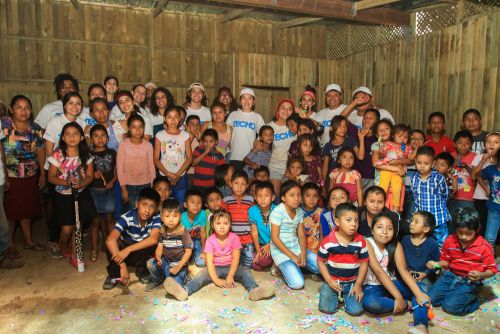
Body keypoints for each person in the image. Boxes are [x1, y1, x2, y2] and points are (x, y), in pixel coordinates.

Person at [164, 209, 275, 301]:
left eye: (225, 223)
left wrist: (230, 275)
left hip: (232, 267)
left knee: (246, 271)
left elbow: (236, 258)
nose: (222, 227)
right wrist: (216, 280)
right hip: (215, 268)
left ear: (230, 224)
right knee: (201, 276)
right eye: (218, 223)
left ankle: (254, 290)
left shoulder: (234, 238)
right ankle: (184, 290)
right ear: (212, 224)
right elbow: (210, 262)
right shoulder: (210, 241)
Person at [362, 213, 431, 334]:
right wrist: (399, 298)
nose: (384, 232)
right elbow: (378, 270)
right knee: (371, 303)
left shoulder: (396, 245)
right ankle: (406, 304)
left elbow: (403, 271)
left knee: (420, 289)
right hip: (372, 286)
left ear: (394, 232)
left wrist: (419, 294)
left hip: (393, 284)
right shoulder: (366, 243)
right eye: (379, 227)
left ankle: (421, 325)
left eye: (389, 228)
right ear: (372, 230)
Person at [428, 208, 497, 316]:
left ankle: (474, 301)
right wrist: (437, 264)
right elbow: (445, 262)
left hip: (470, 281)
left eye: (469, 233)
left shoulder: (484, 247)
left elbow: (492, 270)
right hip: (450, 275)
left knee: (449, 307)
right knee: (430, 299)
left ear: (477, 229)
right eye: (460, 233)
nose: (464, 237)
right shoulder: (450, 240)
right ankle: (456, 294)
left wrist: (481, 274)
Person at [43, 92, 87, 258]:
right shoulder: (55, 122)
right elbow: (49, 148)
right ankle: (56, 241)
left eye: (78, 103)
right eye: (71, 103)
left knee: (77, 215)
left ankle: (73, 244)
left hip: (77, 175)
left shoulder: (82, 123)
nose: (75, 106)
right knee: (60, 212)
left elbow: (84, 150)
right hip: (57, 172)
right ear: (64, 105)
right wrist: (63, 170)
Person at [47, 122, 97, 268]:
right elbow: (51, 177)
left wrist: (81, 183)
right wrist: (67, 182)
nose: (71, 137)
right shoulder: (58, 154)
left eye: (75, 134)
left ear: (81, 137)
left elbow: (89, 176)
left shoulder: (86, 154)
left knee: (78, 226)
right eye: (67, 134)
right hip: (63, 195)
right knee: (67, 229)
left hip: (81, 194)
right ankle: (63, 243)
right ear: (63, 137)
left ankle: (76, 256)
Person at [2, 96, 45, 259]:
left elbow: (40, 150)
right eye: (19, 107)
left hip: (29, 174)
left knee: (26, 209)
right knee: (10, 213)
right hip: (9, 176)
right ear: (12, 109)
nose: (23, 111)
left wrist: (42, 172)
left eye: (27, 107)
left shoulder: (35, 128)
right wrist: (4, 174)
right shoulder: (4, 124)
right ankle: (9, 245)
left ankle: (28, 240)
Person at [103, 188, 161, 290]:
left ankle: (141, 269)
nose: (147, 210)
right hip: (123, 255)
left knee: (155, 243)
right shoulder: (126, 217)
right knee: (113, 244)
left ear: (156, 209)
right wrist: (122, 265)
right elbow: (110, 240)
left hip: (138, 251)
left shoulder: (156, 217)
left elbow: (153, 239)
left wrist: (128, 250)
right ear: (137, 204)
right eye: (144, 204)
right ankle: (114, 274)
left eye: (152, 207)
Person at [317, 203, 368, 316]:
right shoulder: (328, 241)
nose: (353, 224)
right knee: (326, 309)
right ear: (337, 222)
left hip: (352, 283)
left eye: (356, 220)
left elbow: (364, 263)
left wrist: (358, 284)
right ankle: (334, 295)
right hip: (333, 282)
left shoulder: (360, 241)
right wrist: (329, 281)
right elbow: (320, 261)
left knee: (356, 311)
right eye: (349, 220)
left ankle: (344, 297)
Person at [271, 180, 320, 289]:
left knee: (322, 267)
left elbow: (301, 235)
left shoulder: (299, 211)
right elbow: (275, 238)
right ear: (283, 198)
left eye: (298, 195)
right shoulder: (278, 212)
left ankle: (295, 266)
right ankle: (281, 266)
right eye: (292, 195)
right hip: (281, 252)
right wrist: (292, 257)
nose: (296, 198)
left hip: (296, 248)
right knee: (298, 284)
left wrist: (302, 253)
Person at [146, 199, 193, 291]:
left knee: (173, 278)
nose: (171, 220)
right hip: (166, 261)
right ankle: (157, 280)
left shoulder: (183, 231)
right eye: (167, 216)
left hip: (180, 263)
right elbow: (160, 247)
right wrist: (158, 258)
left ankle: (181, 281)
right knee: (150, 263)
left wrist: (178, 266)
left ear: (180, 217)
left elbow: (188, 251)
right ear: (162, 217)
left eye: (175, 216)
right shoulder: (162, 230)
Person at [410, 146, 451, 246]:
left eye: (426, 163)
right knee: (424, 243)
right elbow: (415, 198)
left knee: (441, 244)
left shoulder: (439, 178)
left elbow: (445, 195)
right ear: (415, 161)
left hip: (438, 218)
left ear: (433, 164)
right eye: (419, 163)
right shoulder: (414, 179)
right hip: (422, 221)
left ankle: (440, 261)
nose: (422, 166)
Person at [88, 124, 117, 261]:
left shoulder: (112, 152)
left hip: (108, 191)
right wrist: (92, 174)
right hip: (93, 191)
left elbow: (117, 171)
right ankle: (94, 248)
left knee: (110, 219)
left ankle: (112, 247)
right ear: (91, 138)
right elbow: (84, 172)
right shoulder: (88, 154)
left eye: (103, 136)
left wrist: (112, 181)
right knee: (95, 221)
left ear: (107, 138)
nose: (100, 139)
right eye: (96, 136)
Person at [117, 115, 156, 213]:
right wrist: (123, 188)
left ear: (144, 128)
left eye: (140, 127)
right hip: (129, 185)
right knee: (131, 213)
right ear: (129, 129)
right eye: (134, 127)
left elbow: (152, 166)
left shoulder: (148, 145)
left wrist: (153, 185)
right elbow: (120, 168)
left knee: (145, 211)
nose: (137, 130)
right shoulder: (123, 145)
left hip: (145, 184)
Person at [154, 105, 192, 205]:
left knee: (180, 204)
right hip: (163, 176)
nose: (173, 120)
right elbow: (156, 159)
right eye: (169, 117)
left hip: (181, 177)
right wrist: (168, 174)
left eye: (176, 117)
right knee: (162, 204)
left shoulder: (185, 135)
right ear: (165, 118)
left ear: (180, 118)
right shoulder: (160, 135)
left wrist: (178, 175)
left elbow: (189, 158)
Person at [373, 124, 413, 212]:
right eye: (400, 136)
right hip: (387, 168)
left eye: (405, 137)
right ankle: (380, 202)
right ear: (393, 135)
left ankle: (396, 206)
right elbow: (381, 154)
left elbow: (410, 158)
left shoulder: (407, 147)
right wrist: (380, 149)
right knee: (383, 186)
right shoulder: (388, 144)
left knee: (397, 187)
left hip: (398, 170)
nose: (402, 139)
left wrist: (415, 150)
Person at [222, 170, 255, 268]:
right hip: (232, 239)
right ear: (230, 184)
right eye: (236, 183)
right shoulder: (226, 201)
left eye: (243, 184)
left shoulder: (251, 200)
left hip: (248, 239)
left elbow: (254, 218)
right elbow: (223, 219)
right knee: (233, 262)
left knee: (248, 261)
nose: (239, 187)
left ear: (247, 185)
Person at [226, 88, 265, 171]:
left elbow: (264, 135)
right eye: (244, 98)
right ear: (240, 101)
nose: (246, 101)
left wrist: (257, 142)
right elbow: (227, 133)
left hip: (250, 157)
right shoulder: (233, 115)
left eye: (250, 98)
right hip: (234, 156)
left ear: (254, 101)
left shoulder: (257, 117)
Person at [401, 211, 440, 290]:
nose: (411, 223)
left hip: (425, 277)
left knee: (423, 289)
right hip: (407, 274)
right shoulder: (405, 240)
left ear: (426, 229)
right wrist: (408, 273)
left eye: (416, 222)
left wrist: (424, 274)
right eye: (412, 220)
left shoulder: (432, 244)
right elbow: (401, 260)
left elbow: (436, 265)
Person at [322, 115, 358, 189]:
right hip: (333, 179)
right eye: (340, 126)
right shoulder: (328, 146)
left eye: (345, 126)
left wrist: (361, 138)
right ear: (332, 128)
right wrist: (323, 183)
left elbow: (360, 156)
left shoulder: (350, 141)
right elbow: (325, 166)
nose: (343, 129)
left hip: (349, 178)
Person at [248, 181, 277, 273]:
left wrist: (270, 245)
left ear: (272, 197)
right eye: (259, 196)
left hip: (278, 243)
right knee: (255, 264)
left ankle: (276, 261)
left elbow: (281, 232)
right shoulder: (252, 211)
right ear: (255, 197)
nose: (263, 199)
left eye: (266, 196)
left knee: (262, 261)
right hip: (262, 244)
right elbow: (254, 232)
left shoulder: (278, 210)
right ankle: (271, 259)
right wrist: (258, 251)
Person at [448, 130, 476, 218]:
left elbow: (476, 177)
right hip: (452, 196)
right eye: (460, 143)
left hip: (468, 197)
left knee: (467, 222)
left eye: (467, 143)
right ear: (454, 144)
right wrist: (452, 165)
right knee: (451, 222)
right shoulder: (450, 156)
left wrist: (467, 167)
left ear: (471, 144)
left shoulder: (475, 157)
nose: (463, 146)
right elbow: (443, 172)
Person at [478, 149, 500, 250]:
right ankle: (488, 261)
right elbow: (478, 176)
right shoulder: (491, 169)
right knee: (490, 238)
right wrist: (486, 188)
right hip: (494, 209)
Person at [192, 129, 225, 194]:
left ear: (216, 141)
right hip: (197, 185)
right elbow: (192, 163)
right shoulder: (198, 149)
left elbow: (220, 172)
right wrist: (204, 153)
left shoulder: (219, 155)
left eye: (211, 141)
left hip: (211, 186)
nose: (208, 144)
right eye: (205, 141)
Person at [181, 189, 207, 267]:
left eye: (199, 202)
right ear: (185, 205)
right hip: (186, 243)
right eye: (192, 202)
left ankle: (195, 255)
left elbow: (203, 234)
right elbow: (181, 238)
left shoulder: (202, 214)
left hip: (198, 241)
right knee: (183, 262)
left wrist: (203, 251)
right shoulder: (181, 217)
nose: (196, 205)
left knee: (202, 263)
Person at [300, 182, 323, 255]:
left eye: (315, 196)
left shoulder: (322, 212)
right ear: (302, 197)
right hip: (300, 249)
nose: (311, 199)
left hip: (318, 248)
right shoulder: (297, 212)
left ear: (319, 198)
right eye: (308, 196)